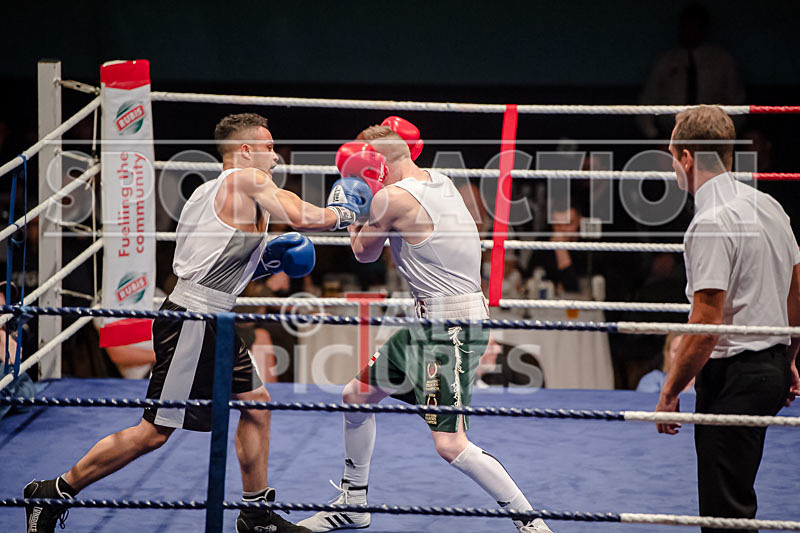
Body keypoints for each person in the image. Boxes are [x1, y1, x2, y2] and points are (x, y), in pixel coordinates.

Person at [24, 113, 368, 533]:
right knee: (153, 433)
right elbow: (300, 216)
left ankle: (255, 515)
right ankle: (53, 491)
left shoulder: (206, 193)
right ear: (245, 151)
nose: (275, 157)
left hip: (212, 315)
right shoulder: (248, 180)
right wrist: (342, 213)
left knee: (257, 406)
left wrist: (262, 262)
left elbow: (208, 266)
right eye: (268, 147)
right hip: (193, 319)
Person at [298, 119, 552, 532]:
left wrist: (349, 203)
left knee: (451, 445)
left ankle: (532, 525)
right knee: (356, 396)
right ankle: (353, 503)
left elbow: (363, 253)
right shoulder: (440, 179)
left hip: (449, 327)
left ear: (375, 163)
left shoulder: (393, 199)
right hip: (429, 322)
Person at [655, 105, 800, 532]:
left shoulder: (711, 222)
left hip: (735, 377)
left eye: (671, 154)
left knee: (725, 516)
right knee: (735, 500)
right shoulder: (769, 205)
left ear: (686, 158)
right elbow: (797, 289)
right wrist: (789, 357)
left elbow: (706, 323)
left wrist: (670, 390)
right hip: (768, 367)